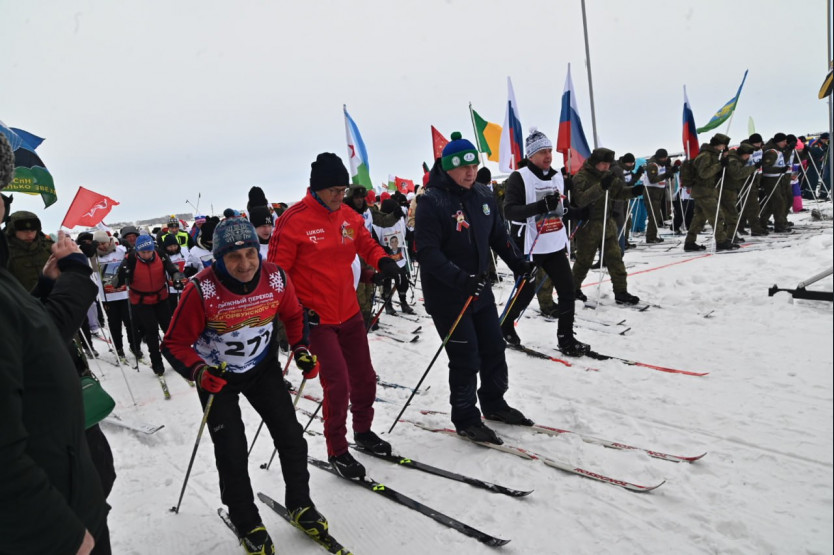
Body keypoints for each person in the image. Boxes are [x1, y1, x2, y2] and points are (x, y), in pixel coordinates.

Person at [162, 217, 328, 554]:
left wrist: (300, 349)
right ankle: (246, 519)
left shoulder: (275, 277)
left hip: (261, 369)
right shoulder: (201, 289)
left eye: (251, 253)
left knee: (292, 438)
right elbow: (174, 343)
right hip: (217, 377)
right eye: (234, 257)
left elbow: (293, 314)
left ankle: (300, 504)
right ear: (219, 257)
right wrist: (198, 371)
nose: (245, 264)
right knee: (232, 451)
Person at [0, 131, 111, 554]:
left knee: (101, 469)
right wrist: (60, 533)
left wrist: (46, 287)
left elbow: (21, 321)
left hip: (66, 474)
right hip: (51, 516)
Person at [268, 152, 402, 479]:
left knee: (364, 377)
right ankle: (337, 450)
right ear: (317, 188)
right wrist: (296, 311)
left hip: (350, 313)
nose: (340, 196)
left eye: (343, 190)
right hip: (317, 319)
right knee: (337, 383)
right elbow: (276, 275)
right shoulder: (293, 220)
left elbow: (366, 245)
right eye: (334, 191)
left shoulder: (347, 216)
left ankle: (363, 431)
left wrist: (383, 263)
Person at [415, 132, 535, 444]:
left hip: (479, 291)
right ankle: (466, 417)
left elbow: (499, 236)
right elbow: (427, 253)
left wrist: (518, 262)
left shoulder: (483, 194)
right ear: (448, 168)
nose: (470, 172)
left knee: (494, 347)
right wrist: (460, 279)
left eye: (473, 165)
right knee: (466, 357)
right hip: (448, 295)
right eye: (463, 167)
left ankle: (494, 403)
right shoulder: (431, 201)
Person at [501, 128, 589, 356]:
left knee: (567, 290)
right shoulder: (520, 177)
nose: (548, 155)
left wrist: (579, 212)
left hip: (553, 243)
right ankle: (506, 325)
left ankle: (566, 339)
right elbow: (509, 211)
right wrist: (539, 207)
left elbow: (561, 209)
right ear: (531, 155)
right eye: (542, 152)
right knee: (526, 291)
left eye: (549, 151)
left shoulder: (557, 176)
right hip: (529, 245)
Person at [571, 147, 644, 304]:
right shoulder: (581, 177)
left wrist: (633, 191)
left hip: (607, 223)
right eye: (603, 163)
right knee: (584, 261)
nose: (606, 167)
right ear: (595, 162)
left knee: (615, 259)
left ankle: (621, 291)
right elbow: (581, 199)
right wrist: (601, 187)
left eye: (609, 164)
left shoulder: (608, 175)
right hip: (588, 226)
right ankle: (572, 289)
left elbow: (619, 192)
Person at [117, 234, 185, 376]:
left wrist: (176, 277)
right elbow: (117, 281)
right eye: (143, 252)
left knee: (169, 329)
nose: (147, 255)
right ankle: (157, 363)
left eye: (149, 251)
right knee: (152, 331)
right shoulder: (130, 259)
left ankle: (176, 358)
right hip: (141, 301)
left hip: (161, 298)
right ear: (137, 251)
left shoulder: (160, 254)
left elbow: (172, 269)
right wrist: (122, 276)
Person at [93, 229, 142, 363]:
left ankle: (135, 347)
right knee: (114, 324)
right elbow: (90, 268)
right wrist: (90, 252)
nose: (102, 246)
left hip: (125, 294)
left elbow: (133, 259)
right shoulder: (94, 256)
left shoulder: (120, 250)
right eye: (99, 244)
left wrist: (129, 247)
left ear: (109, 241)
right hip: (108, 297)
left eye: (104, 243)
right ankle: (118, 349)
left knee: (131, 322)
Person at [684, 133, 735, 251]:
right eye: (723, 145)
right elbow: (704, 173)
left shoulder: (711, 155)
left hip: (705, 191)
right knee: (717, 216)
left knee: (699, 218)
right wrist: (720, 165)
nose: (724, 148)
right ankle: (721, 241)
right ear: (718, 144)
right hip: (704, 191)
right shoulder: (706, 155)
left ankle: (689, 242)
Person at [4, 210, 54, 291]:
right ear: (12, 230)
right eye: (24, 231)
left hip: (52, 296)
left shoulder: (49, 247)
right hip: (19, 298)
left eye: (33, 230)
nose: (30, 235)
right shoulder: (4, 251)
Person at [720, 143, 758, 242]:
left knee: (730, 215)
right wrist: (753, 168)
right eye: (747, 155)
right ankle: (730, 236)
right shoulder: (733, 161)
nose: (748, 157)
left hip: (731, 189)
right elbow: (737, 174)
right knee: (732, 215)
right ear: (742, 153)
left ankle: (730, 235)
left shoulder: (737, 159)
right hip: (727, 190)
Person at [758, 133, 792, 233]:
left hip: (777, 179)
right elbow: (765, 168)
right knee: (778, 202)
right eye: (784, 141)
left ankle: (763, 222)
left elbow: (782, 161)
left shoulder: (779, 150)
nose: (785, 143)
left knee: (772, 203)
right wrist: (779, 169)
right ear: (778, 141)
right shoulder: (771, 152)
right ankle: (779, 225)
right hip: (770, 180)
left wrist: (789, 150)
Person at [642, 149, 674, 243]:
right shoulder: (653, 165)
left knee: (656, 215)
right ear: (659, 157)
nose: (665, 159)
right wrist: (665, 175)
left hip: (658, 192)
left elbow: (662, 174)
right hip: (651, 192)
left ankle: (653, 235)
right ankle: (650, 237)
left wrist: (670, 172)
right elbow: (652, 179)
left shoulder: (661, 164)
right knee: (653, 215)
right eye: (663, 158)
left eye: (665, 157)